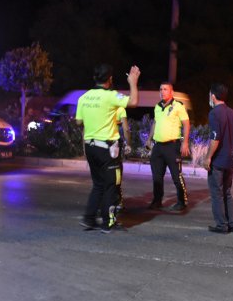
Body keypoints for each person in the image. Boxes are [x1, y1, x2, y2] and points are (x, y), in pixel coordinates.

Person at [76, 63, 140, 233]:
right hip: (107, 149)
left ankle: (89, 219)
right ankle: (108, 222)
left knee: (98, 185)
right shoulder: (110, 96)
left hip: (90, 147)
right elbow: (133, 101)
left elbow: (78, 122)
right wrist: (133, 82)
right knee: (111, 185)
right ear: (109, 79)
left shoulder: (84, 97)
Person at [203, 83, 233, 233]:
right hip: (230, 160)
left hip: (218, 160)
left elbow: (215, 138)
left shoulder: (214, 113)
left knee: (217, 193)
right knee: (227, 192)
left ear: (213, 96)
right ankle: (232, 223)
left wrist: (208, 158)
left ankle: (221, 225)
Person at [145, 82, 190, 211]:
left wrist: (185, 142)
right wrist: (149, 139)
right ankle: (157, 201)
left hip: (172, 146)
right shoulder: (157, 107)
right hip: (158, 146)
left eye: (165, 89)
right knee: (157, 176)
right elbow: (155, 123)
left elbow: (186, 124)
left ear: (171, 92)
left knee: (177, 176)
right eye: (160, 89)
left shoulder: (178, 106)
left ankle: (182, 201)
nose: (162, 91)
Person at [115, 107, 132, 213]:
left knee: (101, 176)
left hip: (96, 145)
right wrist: (128, 144)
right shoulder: (120, 108)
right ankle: (118, 201)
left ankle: (101, 203)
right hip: (113, 145)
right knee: (117, 172)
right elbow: (126, 129)